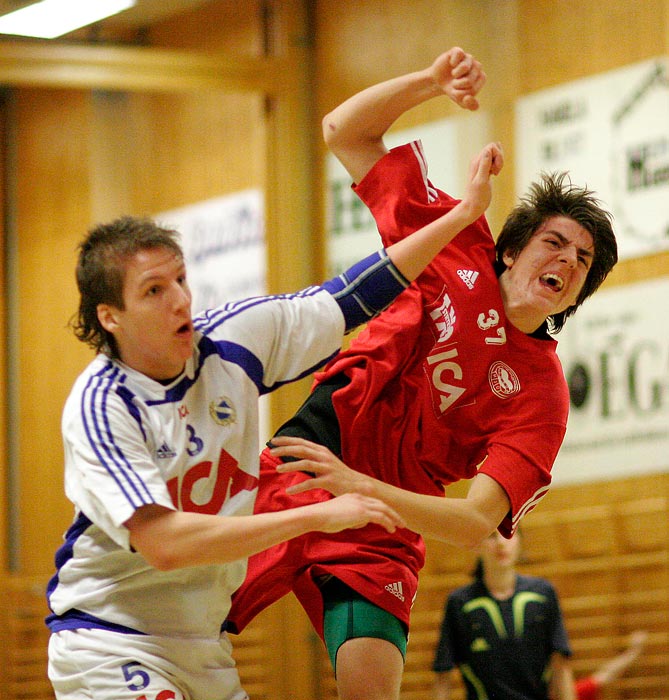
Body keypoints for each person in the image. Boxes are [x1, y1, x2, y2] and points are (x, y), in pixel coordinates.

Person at [44, 129, 501, 700]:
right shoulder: (101, 407)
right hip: (110, 639)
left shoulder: (235, 339)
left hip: (203, 645)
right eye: (155, 291)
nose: (182, 300)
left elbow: (354, 294)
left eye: (181, 279)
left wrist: (463, 216)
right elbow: (165, 544)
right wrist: (311, 518)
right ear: (111, 317)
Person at [226, 46, 618, 700]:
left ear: (576, 296)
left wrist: (362, 490)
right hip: (303, 463)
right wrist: (431, 83)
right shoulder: (452, 240)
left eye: (582, 262)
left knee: (370, 686)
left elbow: (474, 522)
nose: (568, 262)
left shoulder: (543, 397)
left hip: (379, 527)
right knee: (177, 625)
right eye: (555, 242)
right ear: (513, 247)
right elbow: (342, 131)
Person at [432, 530, 575, 700]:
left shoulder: (543, 593)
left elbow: (561, 666)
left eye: (508, 533)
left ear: (520, 540)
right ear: (477, 544)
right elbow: (443, 674)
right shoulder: (459, 602)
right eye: (492, 536)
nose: (501, 543)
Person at [574, 630, 648, 700]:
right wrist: (633, 653)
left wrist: (632, 654)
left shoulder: (576, 691)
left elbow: (607, 674)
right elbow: (607, 674)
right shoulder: (575, 692)